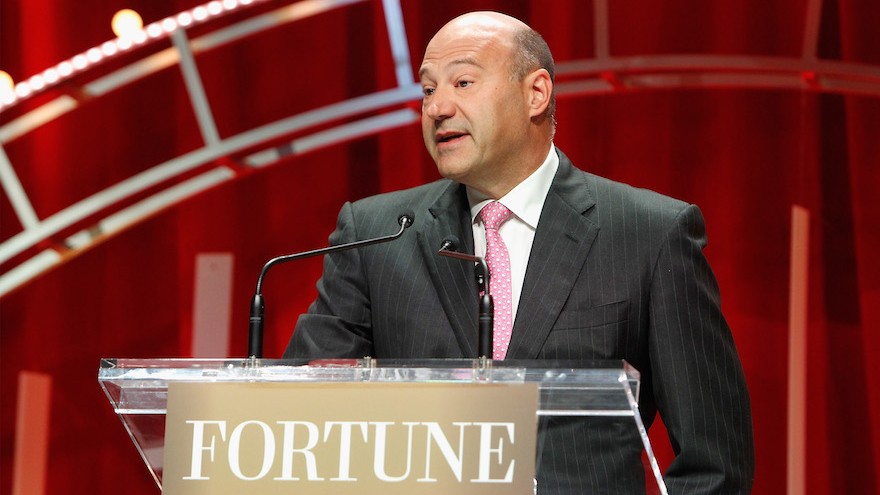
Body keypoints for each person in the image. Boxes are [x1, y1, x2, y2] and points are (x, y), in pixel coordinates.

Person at [285, 11, 755, 494]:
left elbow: (714, 463)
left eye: (463, 82)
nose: (437, 108)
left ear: (536, 94)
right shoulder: (377, 234)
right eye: (428, 90)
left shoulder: (649, 234)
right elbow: (298, 416)